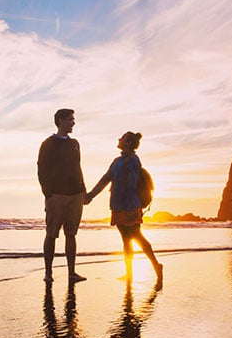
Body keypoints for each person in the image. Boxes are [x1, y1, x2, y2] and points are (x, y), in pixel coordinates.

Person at [85, 131, 163, 281]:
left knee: (137, 237)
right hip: (117, 206)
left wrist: (126, 200)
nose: (118, 139)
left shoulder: (133, 160)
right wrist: (90, 195)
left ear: (128, 143)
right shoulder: (116, 161)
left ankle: (156, 265)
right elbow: (105, 179)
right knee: (126, 240)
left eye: (122, 138)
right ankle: (129, 273)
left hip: (130, 206)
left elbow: (132, 185)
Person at [38, 108, 87, 283]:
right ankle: (48, 273)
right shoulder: (48, 143)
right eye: (70, 119)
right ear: (60, 120)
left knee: (71, 234)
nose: (73, 122)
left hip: (76, 195)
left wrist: (84, 190)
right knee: (51, 234)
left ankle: (72, 273)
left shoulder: (75, 143)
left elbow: (78, 167)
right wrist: (47, 192)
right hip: (56, 195)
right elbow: (41, 168)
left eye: (73, 119)